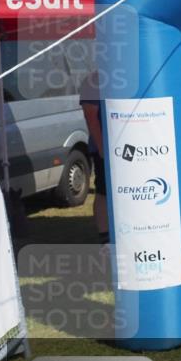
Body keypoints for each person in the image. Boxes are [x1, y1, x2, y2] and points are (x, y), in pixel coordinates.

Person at [78, 71, 108, 245]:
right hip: (104, 149)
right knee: (104, 191)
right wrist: (102, 148)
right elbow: (90, 116)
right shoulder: (93, 81)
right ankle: (105, 237)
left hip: (128, 149)